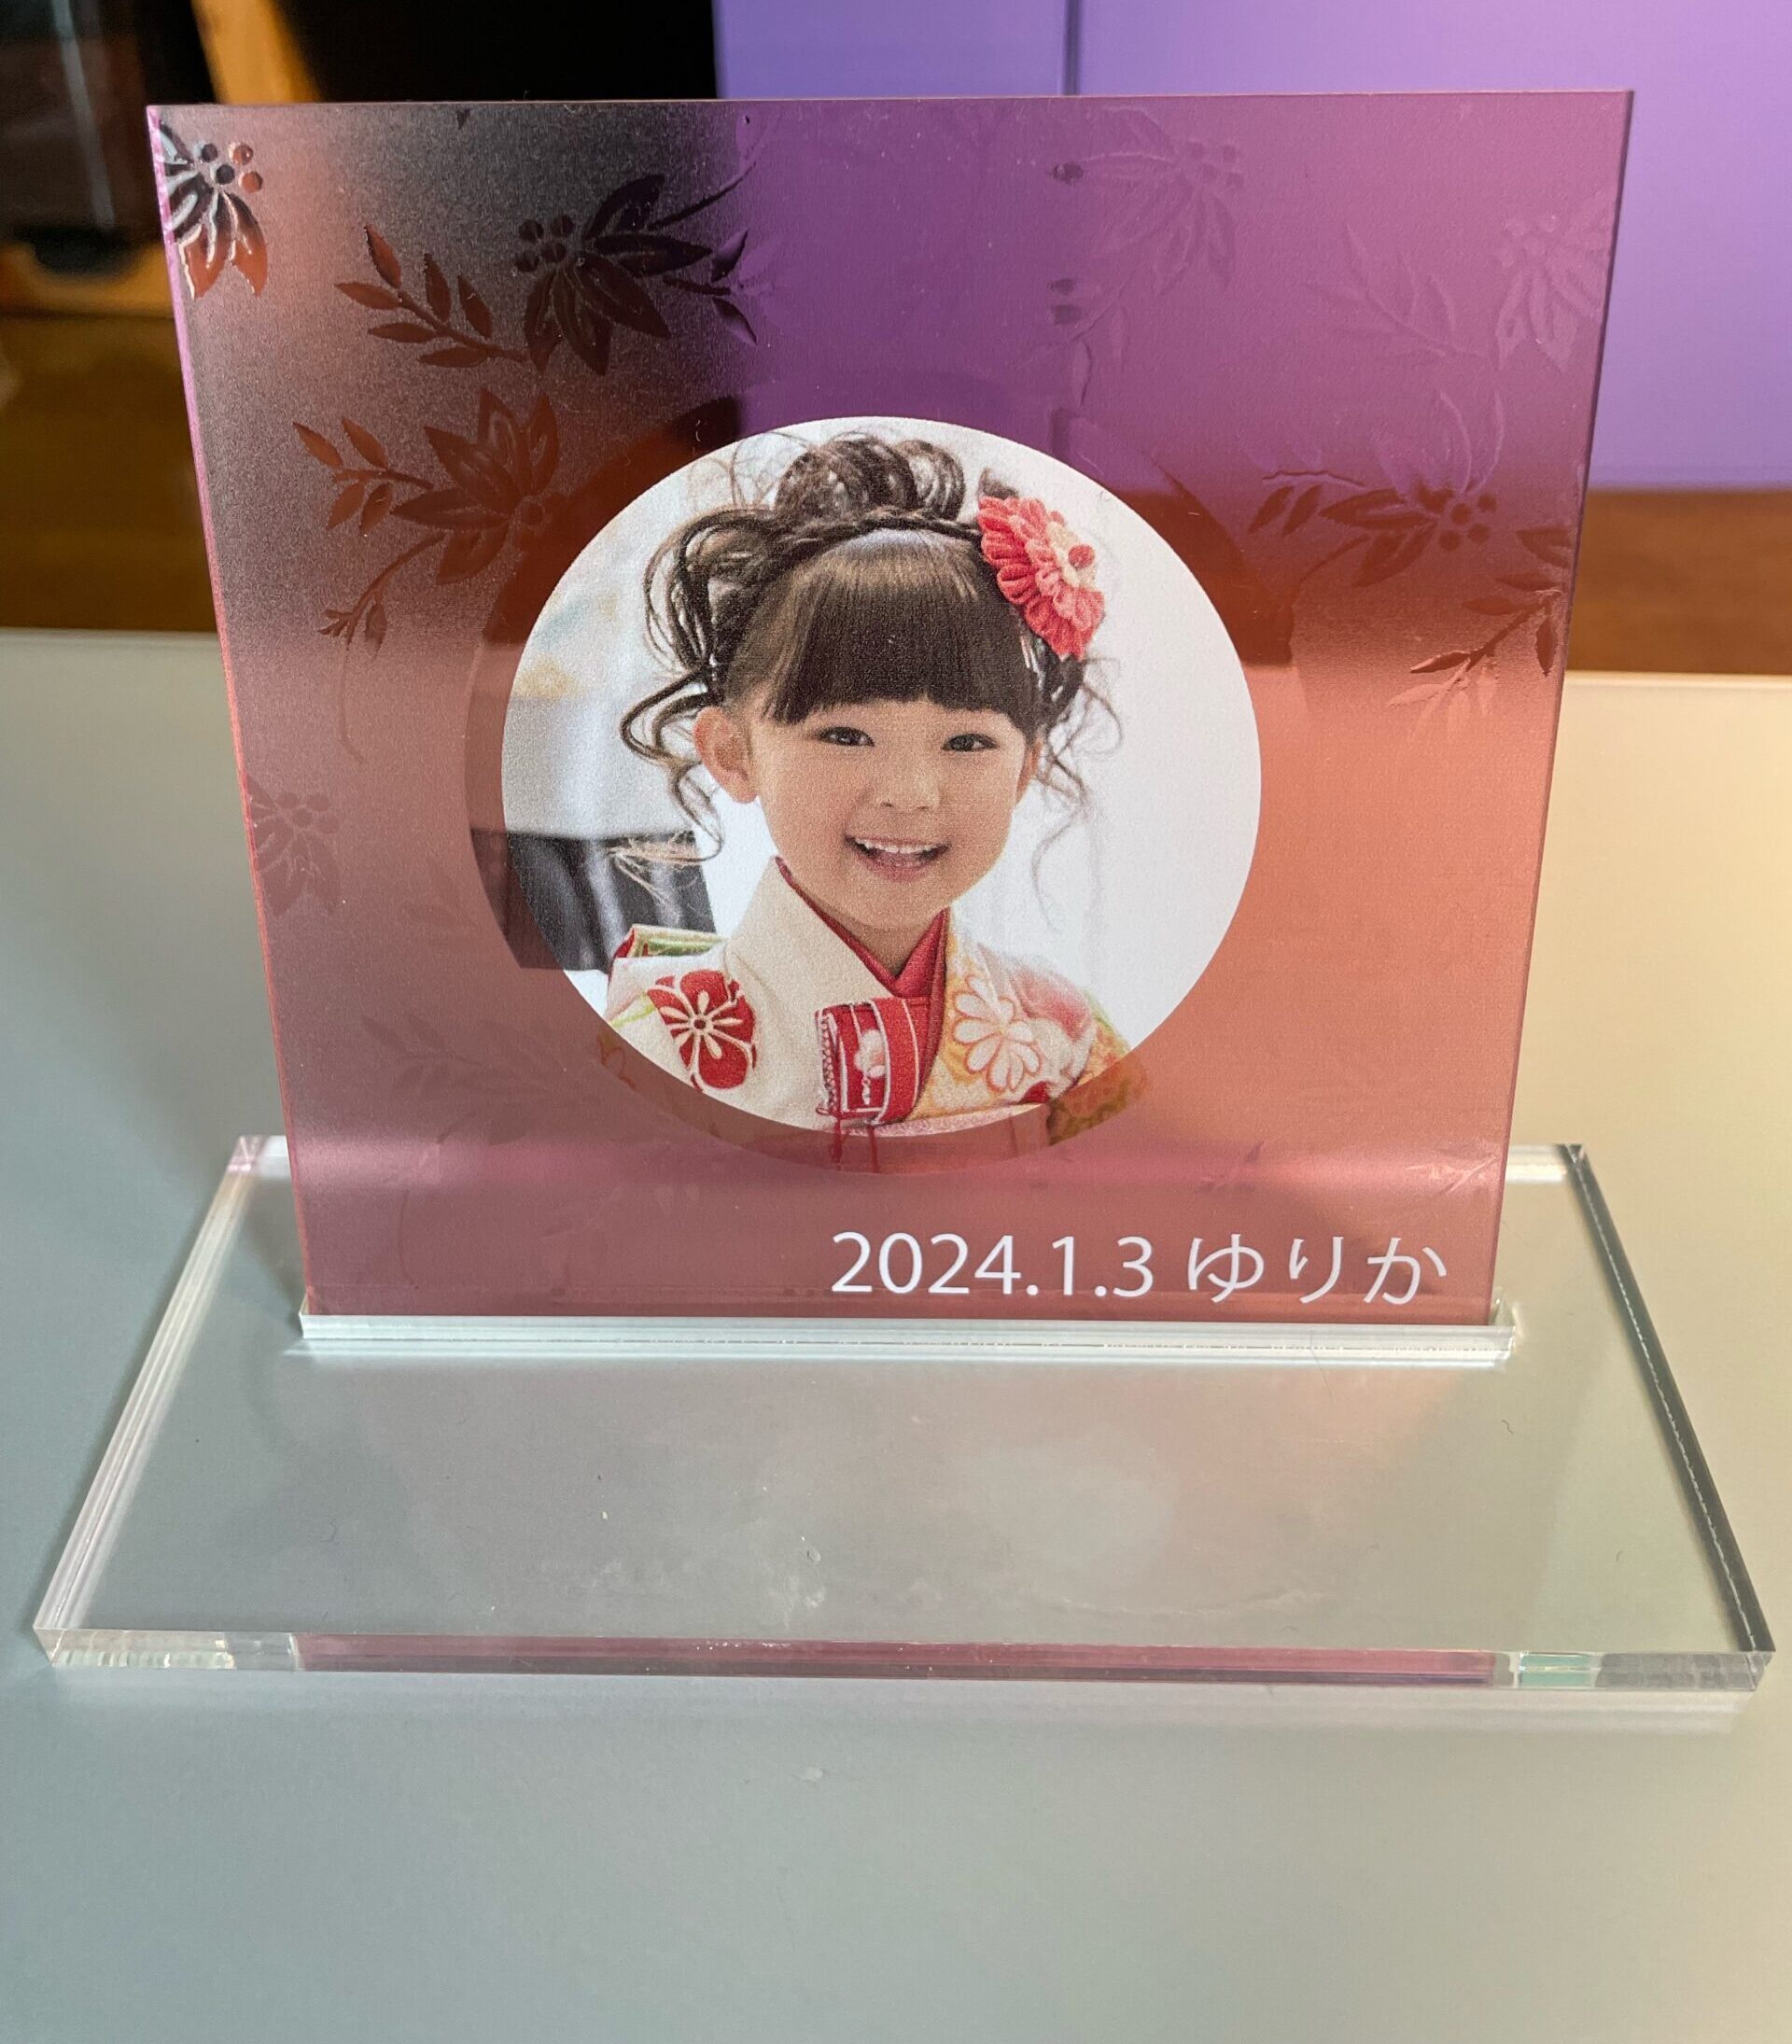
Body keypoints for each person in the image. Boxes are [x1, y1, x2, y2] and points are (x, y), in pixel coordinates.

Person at [605, 430, 1128, 1138]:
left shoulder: (1065, 1039)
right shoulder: (656, 1050)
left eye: (967, 742)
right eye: (846, 736)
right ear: (733, 753)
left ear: (1023, 770)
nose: (911, 792)